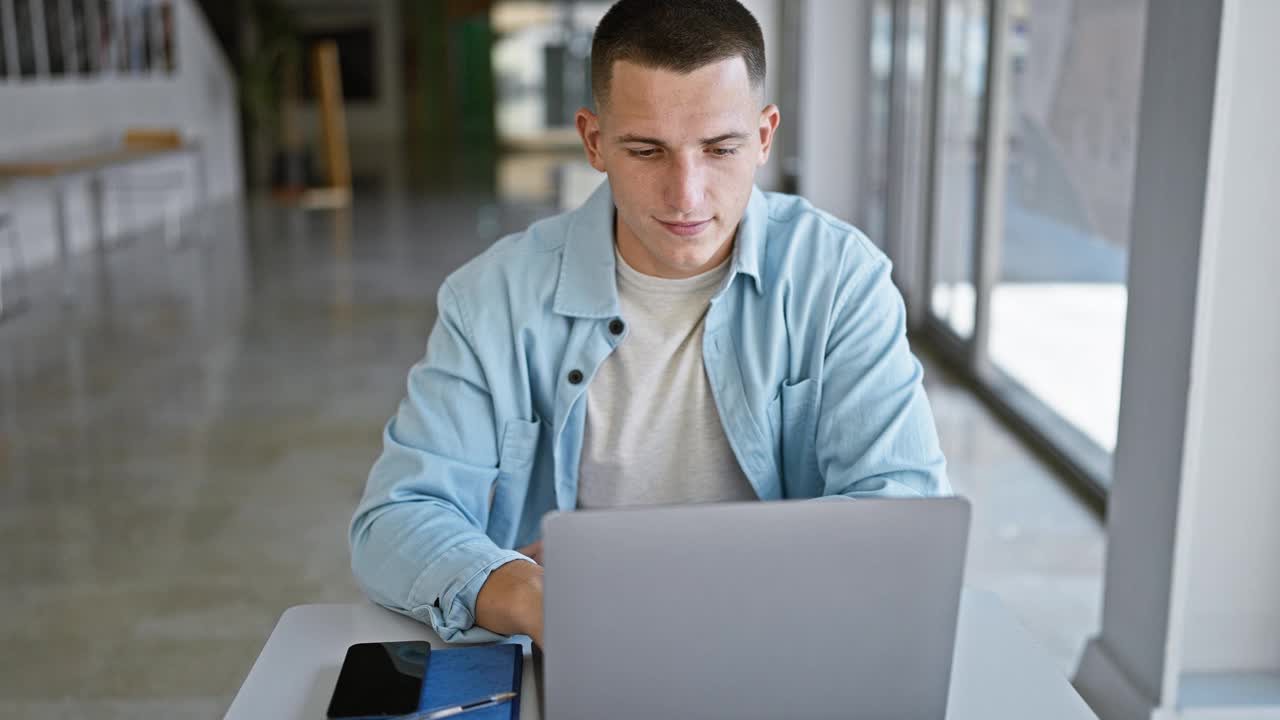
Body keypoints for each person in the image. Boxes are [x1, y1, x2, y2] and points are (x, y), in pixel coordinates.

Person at [350, 0, 949, 649]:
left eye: (721, 149)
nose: (687, 195)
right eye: (647, 150)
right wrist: (527, 594)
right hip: (572, 645)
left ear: (765, 136)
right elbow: (396, 520)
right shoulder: (491, 298)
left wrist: (672, 576)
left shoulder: (841, 279)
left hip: (782, 638)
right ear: (594, 141)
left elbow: (903, 510)